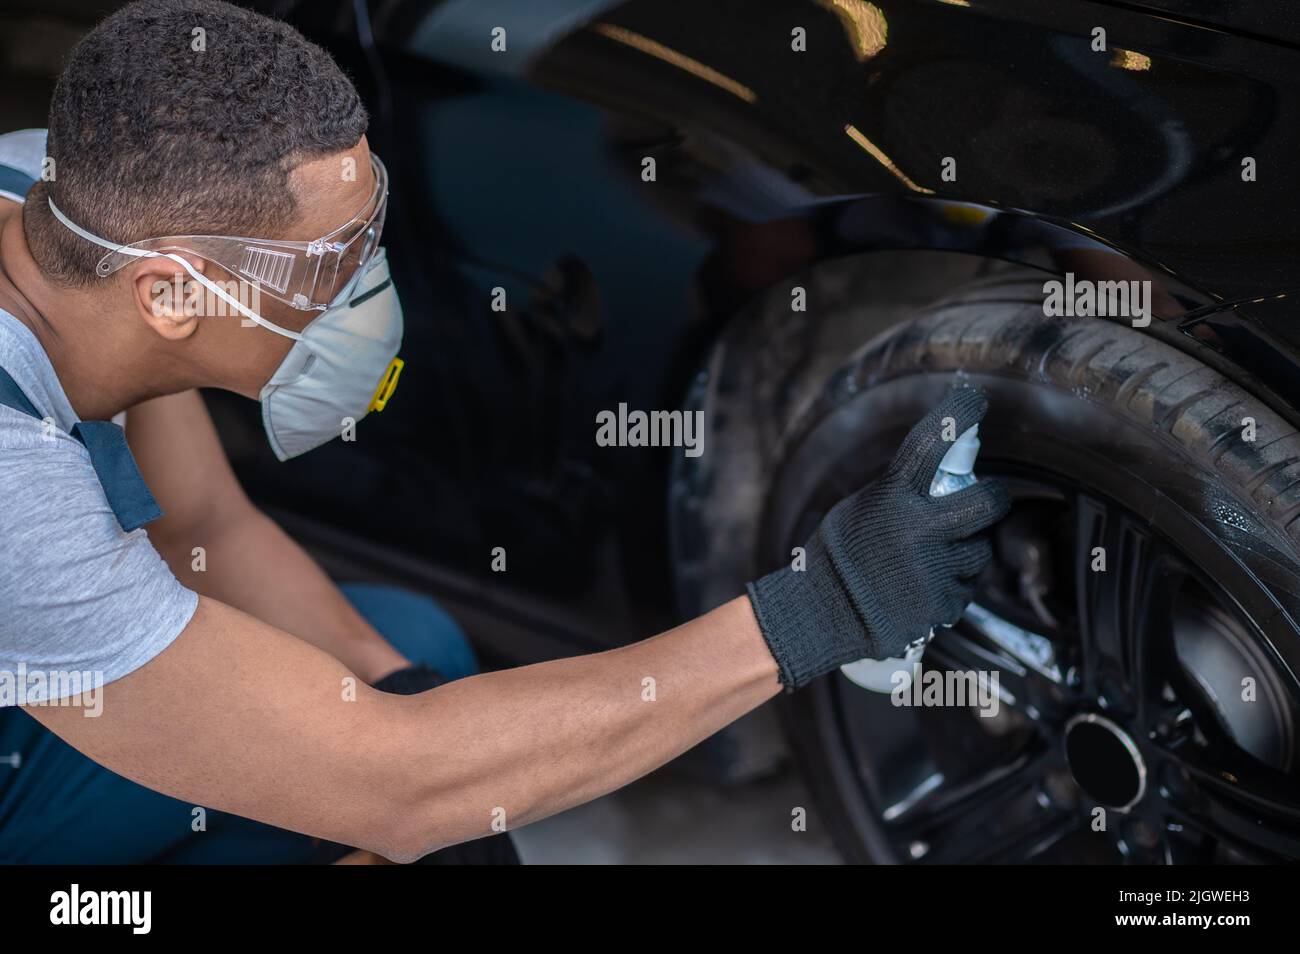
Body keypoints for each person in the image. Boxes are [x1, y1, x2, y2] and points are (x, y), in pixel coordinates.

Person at [0, 0, 1009, 864]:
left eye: (365, 236)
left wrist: (402, 697)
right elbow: (387, 784)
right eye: (324, 268)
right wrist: (817, 609)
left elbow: (198, 522)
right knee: (375, 788)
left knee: (406, 647)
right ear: (170, 293)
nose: (361, 290)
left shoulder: (47, 203)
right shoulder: (17, 488)